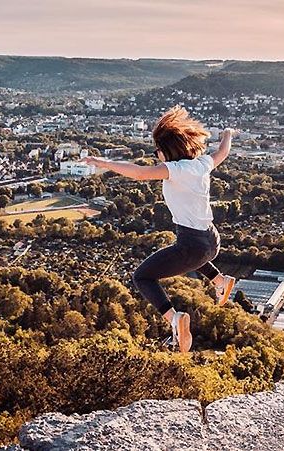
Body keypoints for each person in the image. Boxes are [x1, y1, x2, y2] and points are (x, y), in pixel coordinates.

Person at [80, 105, 236, 353]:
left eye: (158, 151)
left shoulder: (174, 170)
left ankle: (175, 320)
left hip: (192, 245)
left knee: (142, 277)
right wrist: (227, 132)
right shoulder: (202, 164)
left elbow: (139, 173)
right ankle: (220, 279)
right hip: (212, 240)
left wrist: (102, 162)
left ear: (166, 152)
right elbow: (223, 152)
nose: (156, 155)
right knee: (192, 257)